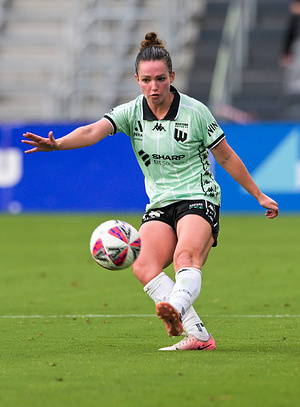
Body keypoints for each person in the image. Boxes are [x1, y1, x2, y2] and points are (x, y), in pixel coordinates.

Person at [22, 32, 279, 351]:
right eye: (146, 80)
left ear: (172, 76)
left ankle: (178, 309)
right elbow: (92, 131)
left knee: (185, 256)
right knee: (143, 267)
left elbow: (225, 154)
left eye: (160, 79)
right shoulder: (131, 112)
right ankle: (197, 334)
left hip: (198, 198)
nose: (154, 87)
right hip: (160, 203)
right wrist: (58, 144)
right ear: (137, 80)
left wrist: (258, 194)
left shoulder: (195, 112)